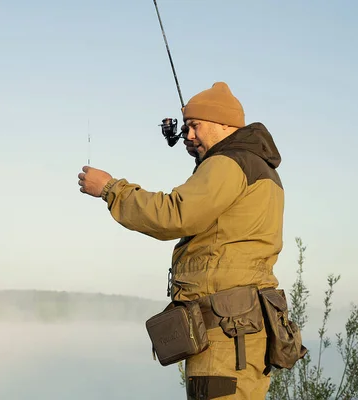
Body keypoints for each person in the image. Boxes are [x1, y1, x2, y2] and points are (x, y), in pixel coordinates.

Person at [77, 81, 284, 399]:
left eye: (194, 126)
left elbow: (174, 215)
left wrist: (110, 189)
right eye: (186, 127)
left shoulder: (229, 164)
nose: (188, 135)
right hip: (241, 330)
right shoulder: (255, 166)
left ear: (223, 123)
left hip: (226, 335)